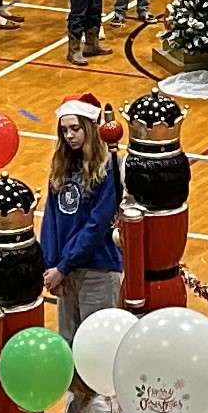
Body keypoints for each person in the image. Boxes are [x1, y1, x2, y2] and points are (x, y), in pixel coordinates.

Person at [39, 101, 125, 355]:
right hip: (64, 272)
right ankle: (76, 396)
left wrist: (63, 267)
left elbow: (96, 225)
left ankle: (102, 397)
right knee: (68, 346)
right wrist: (51, 266)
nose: (69, 136)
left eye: (75, 128)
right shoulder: (60, 167)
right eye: (64, 131)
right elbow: (51, 220)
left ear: (90, 127)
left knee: (97, 348)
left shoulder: (109, 167)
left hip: (97, 269)